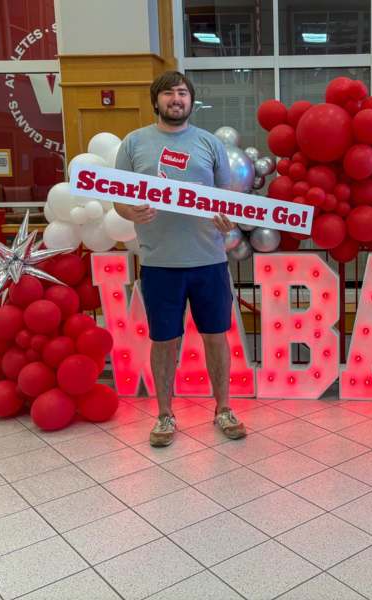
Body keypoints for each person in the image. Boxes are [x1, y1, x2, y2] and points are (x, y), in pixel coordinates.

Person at [114, 71, 247, 447]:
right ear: (155, 101)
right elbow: (117, 197)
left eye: (183, 93)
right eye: (169, 93)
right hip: (159, 263)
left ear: (191, 101)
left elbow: (229, 198)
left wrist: (228, 218)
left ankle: (223, 409)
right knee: (165, 340)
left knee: (216, 337)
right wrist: (130, 213)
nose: (177, 99)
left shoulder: (208, 144)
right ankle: (165, 415)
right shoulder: (134, 143)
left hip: (208, 260)